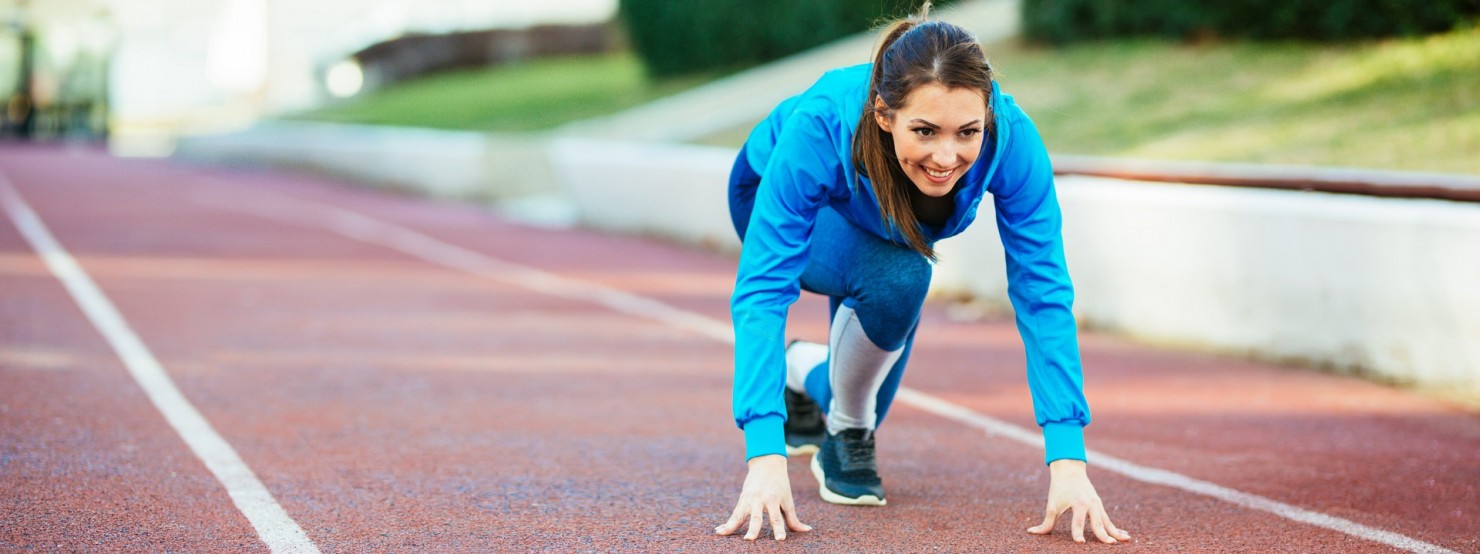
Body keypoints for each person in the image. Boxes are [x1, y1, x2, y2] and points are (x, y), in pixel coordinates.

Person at [712, 3, 1132, 545]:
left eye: (967, 132)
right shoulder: (821, 123)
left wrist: (1068, 461)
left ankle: (804, 372)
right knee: (900, 273)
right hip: (778, 196)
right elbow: (763, 291)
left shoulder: (1014, 141)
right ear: (884, 114)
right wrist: (764, 455)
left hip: (886, 227)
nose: (946, 155)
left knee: (895, 281)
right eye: (925, 130)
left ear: (989, 116)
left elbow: (1043, 292)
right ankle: (846, 426)